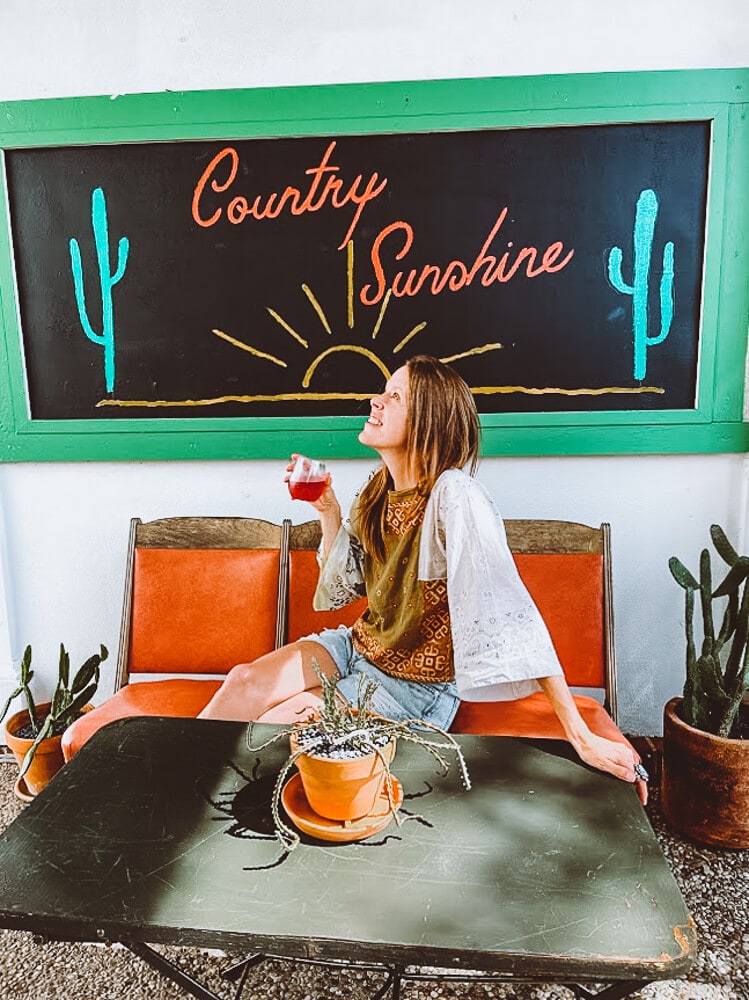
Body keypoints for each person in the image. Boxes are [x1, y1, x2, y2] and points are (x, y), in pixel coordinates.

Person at [199, 355, 645, 802]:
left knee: (280, 727)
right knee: (245, 682)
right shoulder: (376, 492)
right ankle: (173, 778)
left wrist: (582, 735)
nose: (375, 401)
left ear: (428, 421)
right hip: (358, 648)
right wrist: (329, 510)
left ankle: (194, 796)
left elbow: (511, 616)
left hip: (413, 689)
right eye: (383, 391)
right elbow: (344, 588)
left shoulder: (455, 497)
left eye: (394, 396)